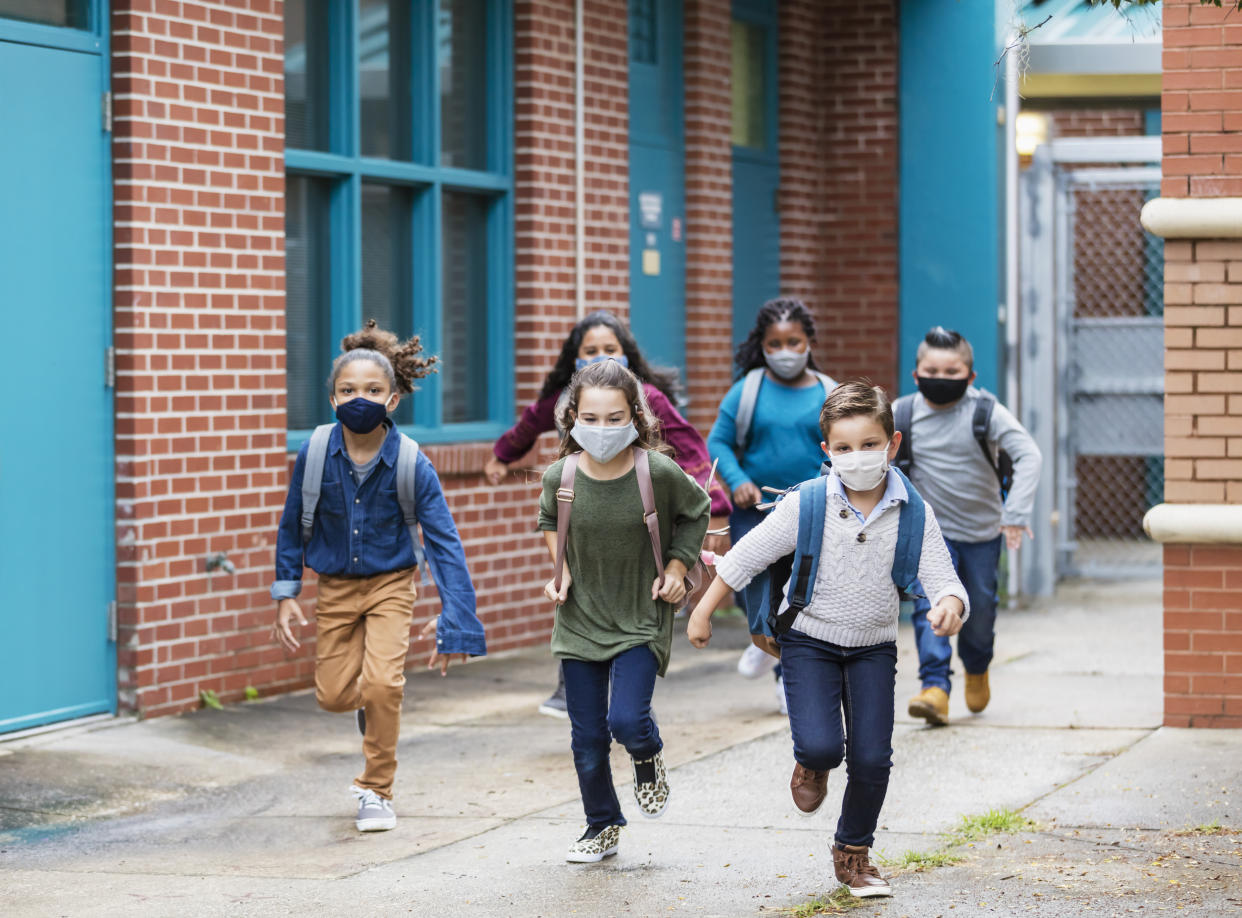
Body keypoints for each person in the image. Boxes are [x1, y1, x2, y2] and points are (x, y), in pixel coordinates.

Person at [687, 381, 968, 899]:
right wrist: (703, 611)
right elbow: (748, 555)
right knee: (823, 744)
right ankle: (812, 759)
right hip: (809, 642)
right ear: (827, 451)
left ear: (893, 444)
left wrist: (950, 605)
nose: (857, 457)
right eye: (844, 448)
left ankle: (854, 851)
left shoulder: (914, 511)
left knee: (872, 758)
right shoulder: (808, 503)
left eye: (869, 445)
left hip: (874, 647)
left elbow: (943, 577)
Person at [271, 321, 487, 833]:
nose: (359, 399)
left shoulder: (413, 463)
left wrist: (457, 622)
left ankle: (376, 790)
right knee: (333, 695)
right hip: (337, 586)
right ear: (331, 399)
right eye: (348, 391)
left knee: (385, 683)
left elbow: (445, 546)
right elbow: (289, 526)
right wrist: (286, 593)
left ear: (392, 400)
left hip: (393, 583)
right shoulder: (317, 453)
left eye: (372, 390)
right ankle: (370, 707)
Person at [483, 309, 729, 717]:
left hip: (634, 519)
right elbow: (530, 422)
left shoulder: (648, 397)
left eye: (610, 349)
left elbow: (691, 447)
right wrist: (501, 456)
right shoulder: (567, 399)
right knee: (580, 597)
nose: (602, 357)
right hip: (584, 512)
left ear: (627, 353)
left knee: (628, 642)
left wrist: (713, 510)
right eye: (590, 350)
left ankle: (630, 701)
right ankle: (573, 686)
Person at [538, 359, 710, 863]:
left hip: (640, 615)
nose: (603, 429)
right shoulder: (560, 475)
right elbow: (550, 519)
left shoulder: (653, 471)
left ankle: (647, 753)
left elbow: (696, 511)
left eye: (615, 418)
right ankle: (602, 825)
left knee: (627, 722)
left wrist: (678, 570)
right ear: (572, 419)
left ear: (635, 416)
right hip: (579, 619)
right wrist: (560, 568)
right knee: (587, 737)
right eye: (591, 418)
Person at [895, 327, 1042, 726]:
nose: (941, 377)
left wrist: (1014, 515)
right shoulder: (902, 414)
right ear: (916, 374)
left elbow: (1029, 455)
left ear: (971, 377)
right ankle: (935, 688)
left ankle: (977, 666)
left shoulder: (985, 412)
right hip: (929, 535)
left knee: (978, 614)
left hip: (980, 534)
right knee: (930, 605)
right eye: (932, 369)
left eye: (952, 370)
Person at [706, 298, 835, 713]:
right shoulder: (748, 391)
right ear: (762, 345)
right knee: (749, 586)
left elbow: (842, 443)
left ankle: (785, 678)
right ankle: (759, 633)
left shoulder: (828, 391)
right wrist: (738, 482)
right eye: (775, 343)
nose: (784, 351)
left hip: (811, 511)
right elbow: (718, 442)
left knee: (796, 594)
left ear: (809, 342)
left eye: (793, 341)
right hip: (756, 510)